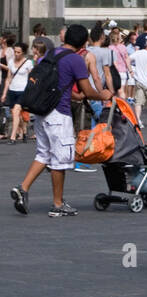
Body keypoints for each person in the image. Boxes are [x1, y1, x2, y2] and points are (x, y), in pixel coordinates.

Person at [10, 25, 113, 217]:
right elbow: (88, 91)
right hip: (59, 113)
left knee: (43, 154)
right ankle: (57, 204)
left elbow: (59, 85)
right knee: (59, 159)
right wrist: (104, 95)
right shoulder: (76, 59)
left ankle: (22, 188)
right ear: (83, 42)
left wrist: (75, 96)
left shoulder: (52, 53)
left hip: (42, 111)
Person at [2, 43, 33, 143]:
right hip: (12, 90)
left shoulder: (28, 63)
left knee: (16, 112)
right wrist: (4, 93)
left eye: (18, 52)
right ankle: (24, 131)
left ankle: (13, 137)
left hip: (23, 91)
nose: (16, 54)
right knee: (17, 114)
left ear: (23, 52)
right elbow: (8, 78)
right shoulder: (11, 62)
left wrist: (31, 91)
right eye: (15, 52)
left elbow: (31, 79)